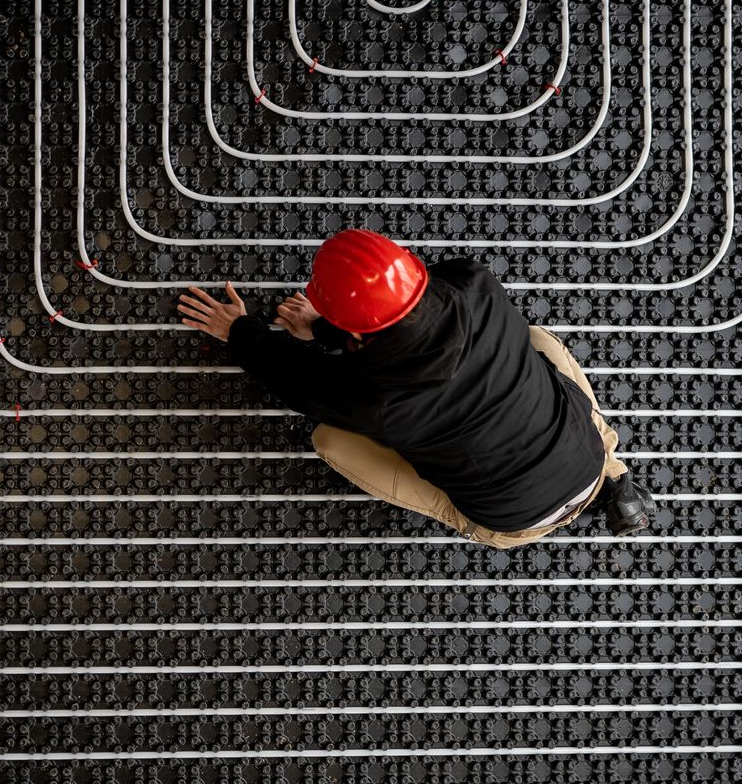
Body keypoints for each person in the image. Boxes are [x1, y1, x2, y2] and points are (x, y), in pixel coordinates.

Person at [177, 229, 655, 548]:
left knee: (328, 439)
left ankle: (494, 522)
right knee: (538, 342)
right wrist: (328, 328)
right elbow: (409, 320)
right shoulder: (475, 283)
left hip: (515, 519)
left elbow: (292, 377)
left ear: (357, 336)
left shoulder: (376, 402)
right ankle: (615, 474)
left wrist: (238, 331)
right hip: (584, 454)